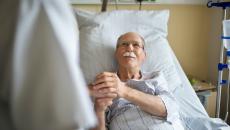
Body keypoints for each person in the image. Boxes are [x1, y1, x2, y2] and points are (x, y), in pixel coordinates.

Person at [89, 32, 184, 130]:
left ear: (144, 55)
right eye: (124, 44)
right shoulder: (105, 83)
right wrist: (98, 111)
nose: (130, 48)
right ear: (116, 54)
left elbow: (169, 108)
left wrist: (124, 90)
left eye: (136, 45)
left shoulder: (155, 77)